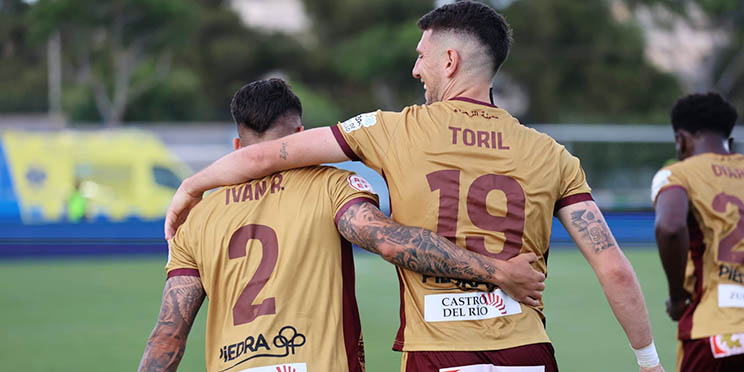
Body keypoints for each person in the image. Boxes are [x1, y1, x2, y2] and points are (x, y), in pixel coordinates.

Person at [165, 1, 664, 372]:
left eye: (422, 56)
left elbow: (265, 155)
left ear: (449, 62)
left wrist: (191, 187)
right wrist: (649, 361)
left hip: (438, 352)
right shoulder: (553, 155)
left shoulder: (393, 128)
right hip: (527, 351)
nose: (415, 68)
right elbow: (614, 269)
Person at [139, 78, 545, 372]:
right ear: (299, 136)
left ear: (235, 148)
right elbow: (389, 242)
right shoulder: (331, 186)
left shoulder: (199, 218)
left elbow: (167, 335)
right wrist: (497, 272)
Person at [652, 92, 744, 371]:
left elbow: (670, 228)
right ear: (728, 142)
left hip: (715, 328)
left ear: (681, 140)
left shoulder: (678, 173)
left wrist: (678, 297)